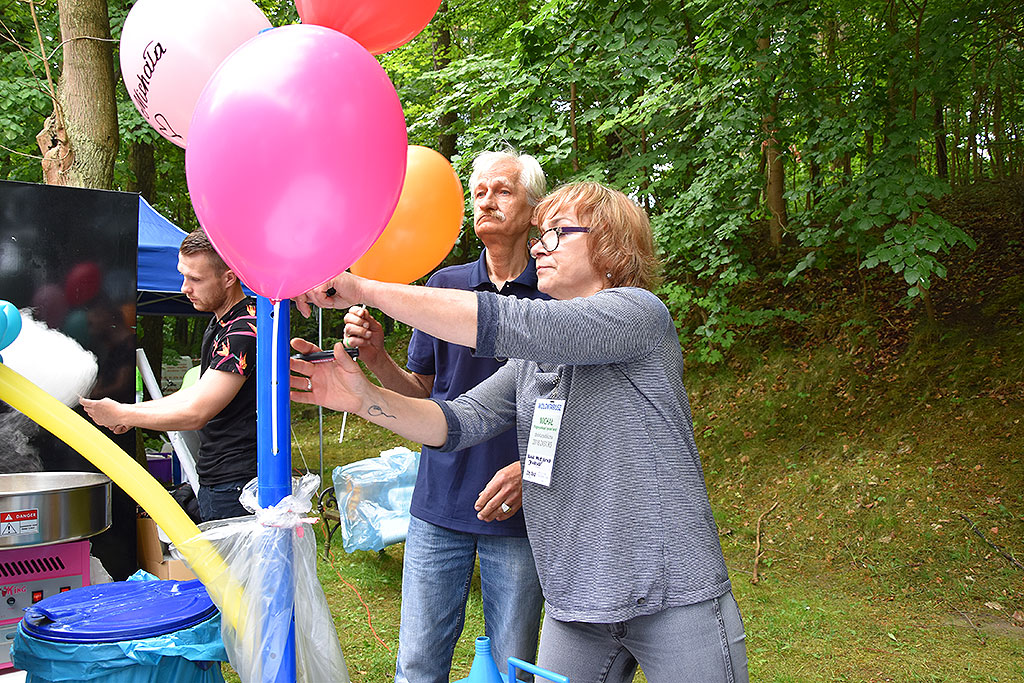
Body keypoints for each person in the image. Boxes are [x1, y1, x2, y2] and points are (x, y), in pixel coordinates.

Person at [291, 181, 748, 682]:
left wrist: (362, 288)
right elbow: (456, 420)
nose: (537, 247)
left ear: (610, 246)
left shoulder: (638, 314)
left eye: (557, 233)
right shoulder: (534, 360)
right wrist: (363, 398)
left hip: (672, 591)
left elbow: (510, 321)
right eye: (539, 236)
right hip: (576, 600)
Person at [297, 150, 547, 683]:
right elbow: (422, 395)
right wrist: (376, 359)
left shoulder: (555, 295)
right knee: (416, 664)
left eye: (503, 191)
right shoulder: (442, 288)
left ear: (533, 209)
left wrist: (535, 473)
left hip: (520, 511)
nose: (487, 201)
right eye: (479, 192)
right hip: (439, 501)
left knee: (515, 668)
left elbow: (574, 409)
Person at [81, 228, 257, 522]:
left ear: (229, 277)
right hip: (223, 477)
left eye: (196, 279)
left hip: (236, 482)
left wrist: (123, 413)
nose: (184, 288)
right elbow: (196, 393)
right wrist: (129, 413)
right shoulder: (225, 322)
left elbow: (196, 412)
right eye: (183, 275)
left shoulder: (242, 330)